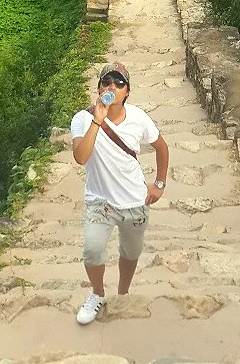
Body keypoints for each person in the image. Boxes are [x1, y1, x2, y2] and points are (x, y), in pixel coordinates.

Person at [70, 61, 169, 325]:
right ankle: (97, 294)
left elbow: (161, 147)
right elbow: (81, 157)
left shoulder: (138, 118)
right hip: (100, 202)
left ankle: (123, 293)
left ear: (127, 92)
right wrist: (97, 121)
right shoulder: (82, 119)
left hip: (135, 201)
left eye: (119, 83)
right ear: (99, 87)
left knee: (131, 252)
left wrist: (159, 184)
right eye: (107, 82)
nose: (112, 87)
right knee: (92, 250)